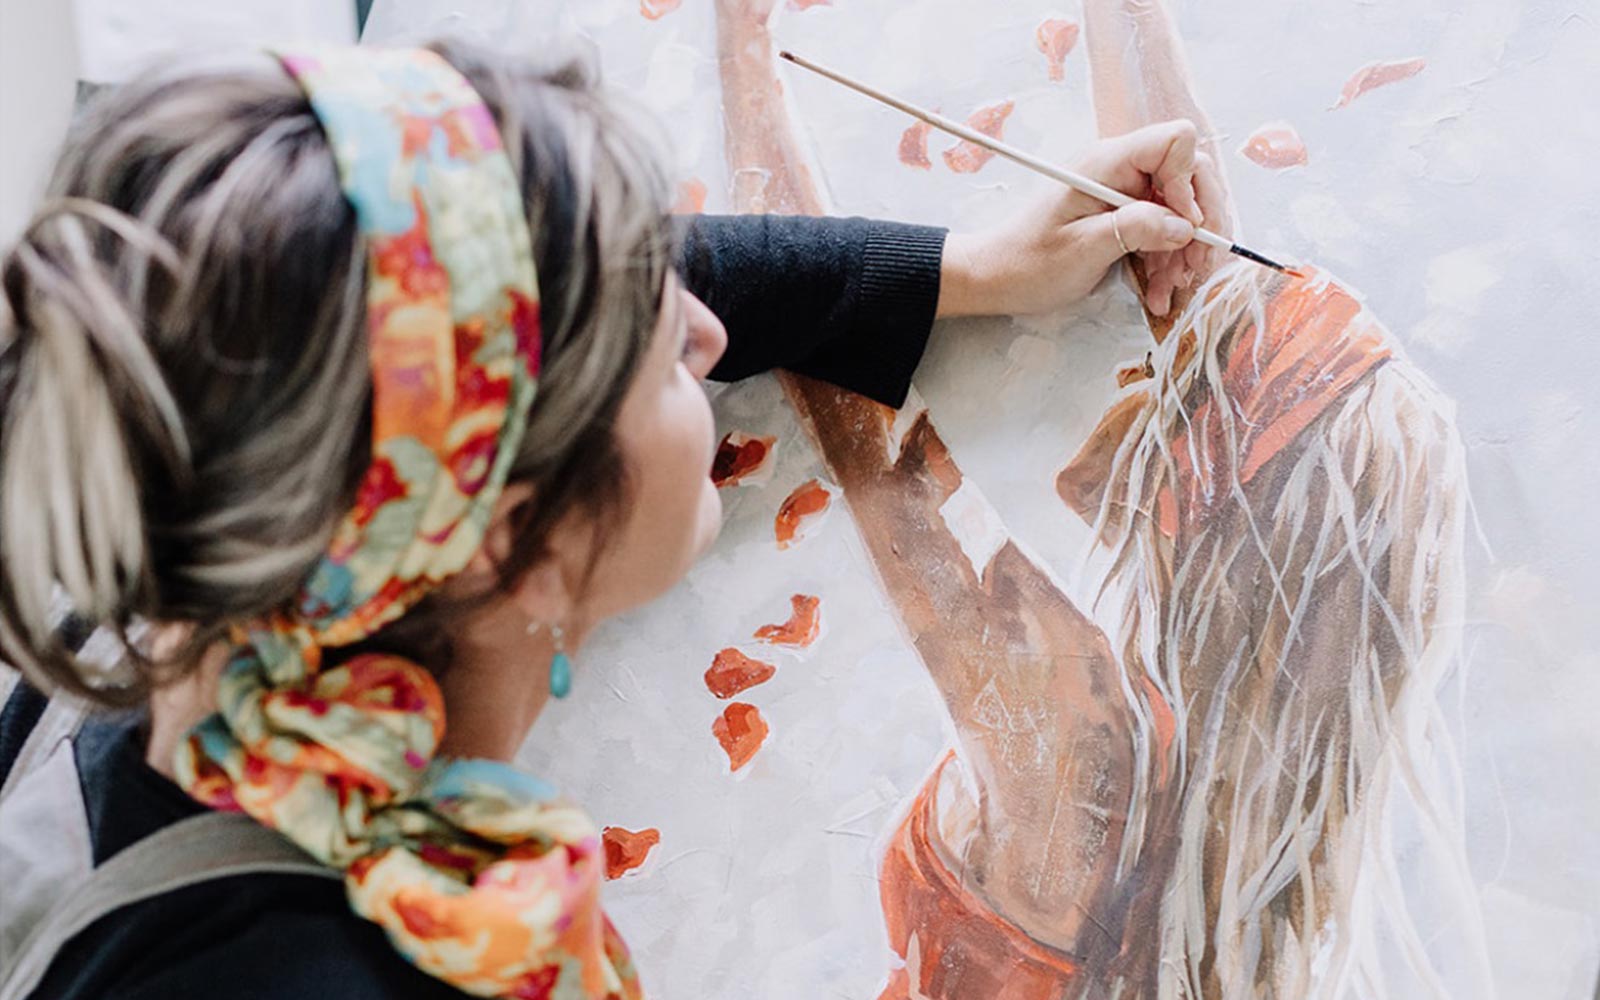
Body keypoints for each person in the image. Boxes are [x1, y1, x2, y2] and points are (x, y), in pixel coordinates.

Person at [0, 30, 1212, 1000]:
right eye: (657, 351)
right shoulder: (300, 967)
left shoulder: (238, 510)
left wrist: (969, 264)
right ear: (513, 540)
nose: (707, 331)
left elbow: (588, 272)